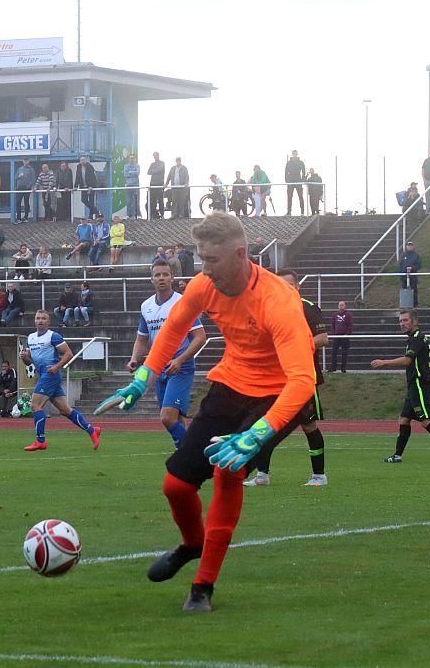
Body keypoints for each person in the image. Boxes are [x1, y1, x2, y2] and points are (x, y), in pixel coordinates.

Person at [94, 211, 317, 613]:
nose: (203, 268)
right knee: (175, 486)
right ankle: (193, 543)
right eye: (200, 259)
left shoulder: (279, 301)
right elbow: (172, 331)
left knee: (228, 470)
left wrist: (258, 434)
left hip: (277, 395)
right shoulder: (204, 285)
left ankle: (203, 587)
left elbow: (302, 382)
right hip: (230, 384)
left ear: (241, 254)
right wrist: (143, 378)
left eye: (211, 260)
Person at [243, 270, 330, 487]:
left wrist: (296, 348)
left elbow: (323, 338)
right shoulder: (270, 309)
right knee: (264, 423)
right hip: (274, 379)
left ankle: (319, 475)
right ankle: (262, 475)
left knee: (309, 426)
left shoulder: (307, 307)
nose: (284, 289)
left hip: (302, 379)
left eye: (289, 285)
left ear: (297, 287)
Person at [128, 260, 208, 449]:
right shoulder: (146, 306)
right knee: (177, 418)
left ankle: (193, 453)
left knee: (166, 417)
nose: (161, 278)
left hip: (180, 366)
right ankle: (184, 461)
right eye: (157, 275)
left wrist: (180, 360)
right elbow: (141, 338)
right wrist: (134, 358)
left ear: (172, 277)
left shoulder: (182, 302)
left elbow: (200, 337)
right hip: (158, 367)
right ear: (151, 280)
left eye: (165, 274)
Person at [372, 309, 430, 464]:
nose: (402, 324)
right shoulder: (414, 338)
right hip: (414, 385)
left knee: (426, 421)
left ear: (415, 321)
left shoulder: (417, 338)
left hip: (420, 385)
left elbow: (407, 361)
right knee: (404, 419)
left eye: (405, 320)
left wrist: (384, 362)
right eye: (400, 321)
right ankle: (397, 455)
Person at [20, 310, 103, 452]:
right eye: (38, 318)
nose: (40, 320)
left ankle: (40, 441)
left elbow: (68, 353)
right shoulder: (30, 338)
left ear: (48, 321)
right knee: (65, 410)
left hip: (50, 375)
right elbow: (29, 362)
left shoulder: (53, 336)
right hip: (44, 375)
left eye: (43, 318)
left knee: (35, 405)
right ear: (34, 320)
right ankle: (92, 430)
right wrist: (24, 357)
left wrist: (57, 366)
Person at [328, 300, 353, 373]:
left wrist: (347, 334)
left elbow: (350, 325)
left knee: (344, 353)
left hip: (345, 336)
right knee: (334, 352)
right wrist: (334, 333)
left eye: (342, 305)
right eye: (340, 305)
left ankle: (343, 368)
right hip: (337, 336)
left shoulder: (348, 314)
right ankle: (333, 368)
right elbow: (333, 324)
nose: (341, 306)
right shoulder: (335, 315)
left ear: (345, 306)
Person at [284, 150, 306, 215]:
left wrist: (302, 179)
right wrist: (287, 180)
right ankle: (289, 211)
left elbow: (303, 171)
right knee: (289, 197)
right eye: (293, 153)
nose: (294, 155)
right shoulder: (288, 163)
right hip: (290, 182)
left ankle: (302, 212)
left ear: (297, 154)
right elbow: (286, 172)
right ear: (292, 154)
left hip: (298, 181)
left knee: (300, 196)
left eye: (295, 153)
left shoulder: (301, 162)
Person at [400, 241, 422, 306]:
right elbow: (401, 265)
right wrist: (401, 273)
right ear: (406, 246)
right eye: (408, 245)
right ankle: (405, 305)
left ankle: (414, 305)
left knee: (414, 290)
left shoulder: (416, 255)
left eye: (411, 245)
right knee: (404, 290)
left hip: (413, 277)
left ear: (413, 246)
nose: (410, 246)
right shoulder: (403, 255)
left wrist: (412, 268)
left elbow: (419, 265)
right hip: (404, 277)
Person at [148, 152, 167, 220]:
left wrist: (154, 170)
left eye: (156, 155)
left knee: (160, 200)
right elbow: (148, 172)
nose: (155, 157)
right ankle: (154, 215)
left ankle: (162, 214)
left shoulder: (162, 163)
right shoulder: (152, 164)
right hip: (152, 184)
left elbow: (160, 169)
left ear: (158, 156)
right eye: (154, 156)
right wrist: (155, 170)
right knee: (152, 200)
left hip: (160, 183)